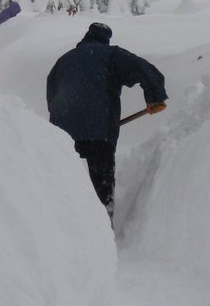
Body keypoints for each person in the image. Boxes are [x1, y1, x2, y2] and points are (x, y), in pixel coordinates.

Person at [46, 22, 167, 223]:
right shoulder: (111, 55)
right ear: (106, 39)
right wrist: (154, 97)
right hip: (99, 131)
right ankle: (103, 225)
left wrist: (61, 119)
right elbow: (143, 69)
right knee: (102, 183)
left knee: (63, 178)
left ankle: (62, 224)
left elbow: (51, 94)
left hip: (62, 131)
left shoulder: (64, 60)